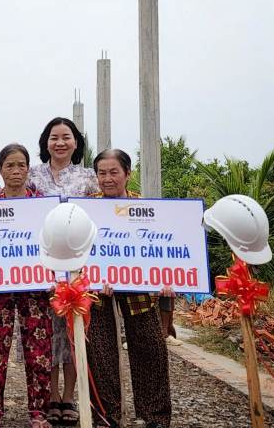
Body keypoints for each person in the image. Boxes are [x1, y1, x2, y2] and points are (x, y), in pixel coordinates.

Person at [84, 149, 172, 428]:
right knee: (100, 352)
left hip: (140, 290)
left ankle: (155, 416)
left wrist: (168, 282)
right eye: (101, 173)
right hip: (98, 290)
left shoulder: (146, 209)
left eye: (114, 172)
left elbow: (163, 248)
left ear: (127, 174)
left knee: (151, 347)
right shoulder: (85, 209)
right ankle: (105, 416)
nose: (107, 179)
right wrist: (94, 278)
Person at [27, 117, 97, 426]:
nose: (60, 143)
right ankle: (50, 397)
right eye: (53, 137)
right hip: (41, 267)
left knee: (72, 333)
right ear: (45, 142)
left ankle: (69, 398)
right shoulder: (31, 176)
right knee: (46, 335)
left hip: (78, 271)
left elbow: (103, 216)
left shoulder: (89, 178)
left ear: (76, 142)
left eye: (66, 137)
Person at [0, 144, 53, 428]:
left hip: (35, 289)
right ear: (0, 170)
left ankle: (38, 413)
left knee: (39, 351)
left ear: (28, 169)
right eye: (9, 165)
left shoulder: (42, 203)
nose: (16, 171)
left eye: (21, 165)